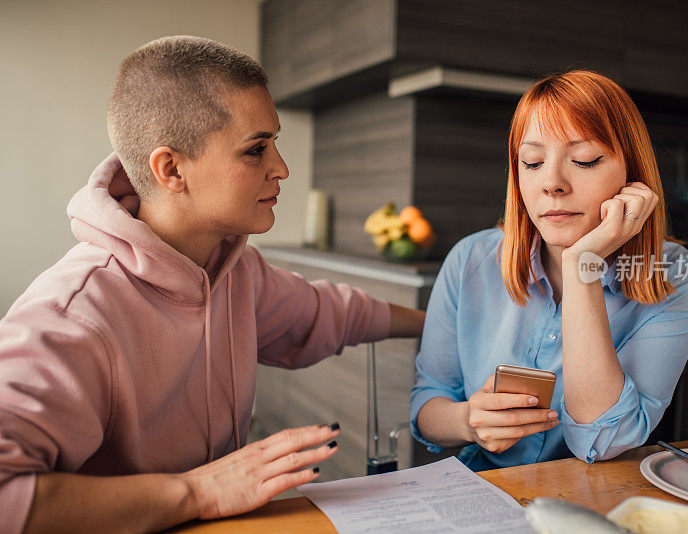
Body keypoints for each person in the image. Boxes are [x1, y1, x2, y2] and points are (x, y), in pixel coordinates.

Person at [0, 36, 424, 533]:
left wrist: (441, 319)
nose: (281, 168)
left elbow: (327, 311)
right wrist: (198, 491)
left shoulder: (234, 270)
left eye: (275, 143)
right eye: (256, 149)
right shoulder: (72, 314)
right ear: (172, 169)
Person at [410, 70, 688, 472]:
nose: (551, 183)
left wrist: (581, 268)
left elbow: (602, 440)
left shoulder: (679, 274)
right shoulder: (471, 260)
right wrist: (468, 421)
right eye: (532, 162)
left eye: (584, 160)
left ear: (632, 173)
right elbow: (427, 406)